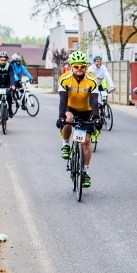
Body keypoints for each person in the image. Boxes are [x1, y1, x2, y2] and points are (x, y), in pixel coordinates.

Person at [56, 51, 102, 189]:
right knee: (67, 119)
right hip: (71, 108)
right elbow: (63, 100)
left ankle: (85, 172)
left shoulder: (92, 80)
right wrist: (61, 116)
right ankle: (65, 144)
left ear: (86, 67)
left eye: (82, 66)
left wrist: (96, 117)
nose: (79, 69)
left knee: (86, 141)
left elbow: (94, 100)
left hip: (87, 110)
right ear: (71, 66)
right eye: (76, 66)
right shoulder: (64, 79)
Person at [0, 52, 15, 124]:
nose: (3, 61)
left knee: (9, 95)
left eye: (4, 60)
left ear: (6, 60)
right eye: (1, 60)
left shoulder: (9, 66)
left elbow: (11, 75)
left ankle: (10, 110)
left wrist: (12, 84)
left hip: (7, 84)